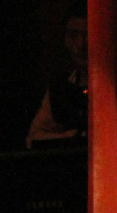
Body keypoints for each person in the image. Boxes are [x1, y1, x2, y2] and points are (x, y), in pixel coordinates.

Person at [26, 9, 90, 148]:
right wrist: (72, 137)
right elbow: (33, 138)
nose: (81, 45)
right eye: (73, 36)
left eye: (89, 35)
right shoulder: (60, 88)